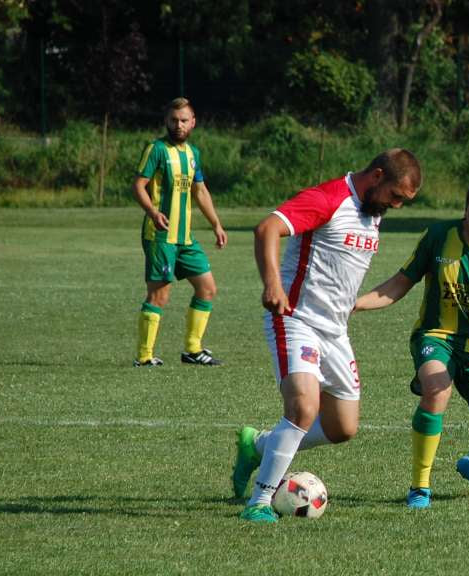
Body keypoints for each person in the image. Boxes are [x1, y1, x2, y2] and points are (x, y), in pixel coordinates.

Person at [232, 149, 423, 523]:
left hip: (335, 331)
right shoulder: (328, 199)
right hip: (295, 318)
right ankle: (259, 502)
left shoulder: (372, 211)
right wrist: (272, 283)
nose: (396, 205)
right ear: (377, 176)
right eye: (395, 196)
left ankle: (258, 446)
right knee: (303, 408)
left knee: (343, 427)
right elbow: (267, 228)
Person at [353, 177, 469, 509]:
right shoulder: (437, 237)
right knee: (437, 387)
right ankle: (420, 487)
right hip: (436, 337)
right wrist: (357, 303)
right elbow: (400, 283)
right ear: (465, 210)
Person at [132, 97, 228, 367]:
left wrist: (216, 224)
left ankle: (192, 350)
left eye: (184, 120)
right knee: (160, 296)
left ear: (193, 122)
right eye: (174, 120)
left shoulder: (192, 153)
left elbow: (200, 190)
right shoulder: (156, 149)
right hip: (160, 235)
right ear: (166, 121)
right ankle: (144, 356)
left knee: (207, 288)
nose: (178, 125)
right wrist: (153, 211)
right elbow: (138, 186)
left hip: (185, 238)